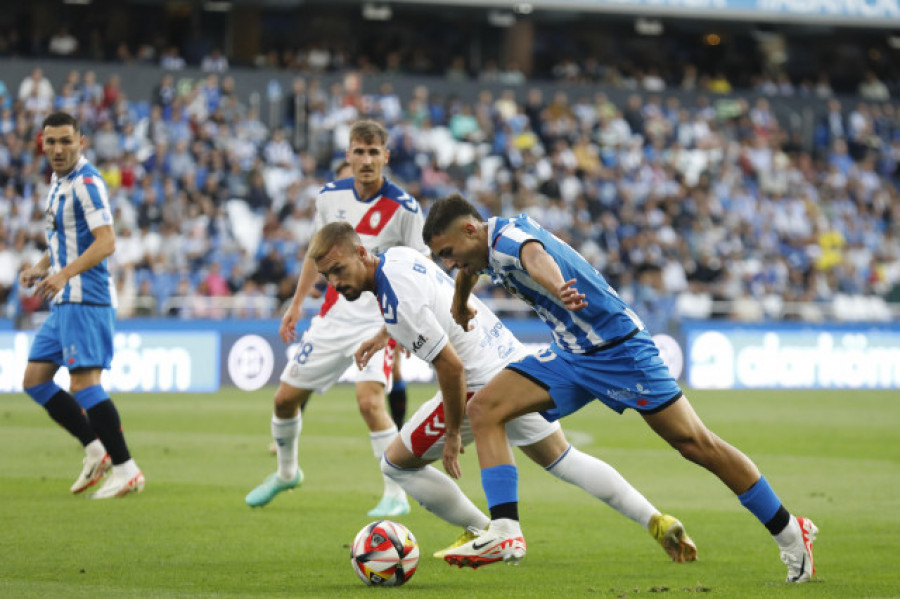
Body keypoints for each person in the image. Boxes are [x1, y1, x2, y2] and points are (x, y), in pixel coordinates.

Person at [421, 193, 817, 582]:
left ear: (471, 229)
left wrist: (559, 287)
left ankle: (789, 531)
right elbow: (469, 271)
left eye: (448, 251)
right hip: (572, 355)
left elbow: (534, 257)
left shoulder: (508, 240)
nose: (449, 262)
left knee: (696, 444)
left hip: (620, 352)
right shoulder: (483, 248)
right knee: (484, 407)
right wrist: (459, 303)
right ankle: (505, 530)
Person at [310, 221, 697, 565]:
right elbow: (426, 303)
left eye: (339, 269)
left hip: (477, 381)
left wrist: (449, 436)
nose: (335, 282)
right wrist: (384, 335)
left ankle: (484, 531)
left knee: (395, 464)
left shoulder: (397, 303)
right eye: (327, 276)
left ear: (361, 252)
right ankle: (656, 520)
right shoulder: (396, 257)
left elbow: (450, 367)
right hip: (510, 360)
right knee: (562, 459)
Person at [245, 120, 424, 517]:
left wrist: (404, 328)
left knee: (369, 401)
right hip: (332, 316)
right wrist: (295, 305)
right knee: (285, 399)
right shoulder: (329, 198)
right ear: (348, 155)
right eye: (359, 151)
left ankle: (395, 494)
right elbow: (316, 254)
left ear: (385, 157)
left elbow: (418, 271)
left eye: (373, 152)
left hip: (379, 320)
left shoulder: (406, 208)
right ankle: (287, 473)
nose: (366, 160)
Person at [20, 112, 144, 499]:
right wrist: (42, 267)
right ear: (42, 143)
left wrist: (64, 274)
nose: (57, 149)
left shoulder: (87, 182)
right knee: (35, 381)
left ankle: (126, 469)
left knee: (83, 385)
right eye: (51, 141)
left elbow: (106, 241)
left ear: (81, 142)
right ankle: (94, 451)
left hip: (85, 298)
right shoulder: (59, 182)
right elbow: (63, 240)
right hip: (65, 299)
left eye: (66, 142)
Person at [334, 158, 408, 431]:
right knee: (303, 374)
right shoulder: (333, 217)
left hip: (379, 305)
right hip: (344, 308)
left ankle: (399, 433)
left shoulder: (388, 214)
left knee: (395, 369)